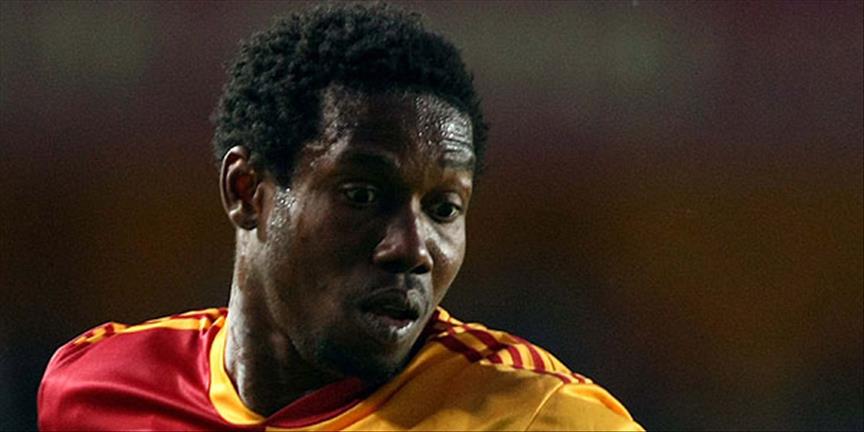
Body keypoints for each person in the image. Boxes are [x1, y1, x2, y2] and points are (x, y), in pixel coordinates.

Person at [38, 3, 643, 430]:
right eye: (362, 195)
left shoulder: (536, 416)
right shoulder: (94, 390)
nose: (412, 248)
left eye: (443, 209)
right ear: (247, 191)